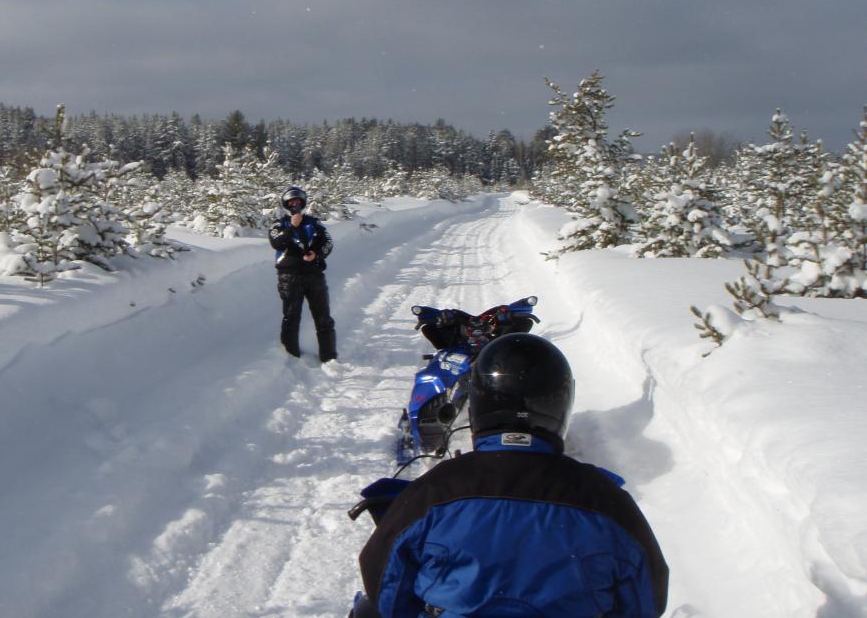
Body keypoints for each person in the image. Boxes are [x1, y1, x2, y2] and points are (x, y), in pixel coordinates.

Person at [351, 333, 669, 617]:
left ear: (479, 403)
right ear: (559, 405)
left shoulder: (434, 490)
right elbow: (646, 601)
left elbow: (385, 589)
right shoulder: (607, 500)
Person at [268, 186, 337, 362]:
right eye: (291, 202)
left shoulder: (314, 222)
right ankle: (290, 357)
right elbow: (276, 243)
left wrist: (316, 254)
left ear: (303, 202)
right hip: (289, 277)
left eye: (298, 201)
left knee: (323, 317)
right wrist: (291, 227)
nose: (295, 205)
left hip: (314, 274)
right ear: (285, 205)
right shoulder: (278, 224)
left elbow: (327, 242)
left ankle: (329, 357)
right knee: (291, 317)